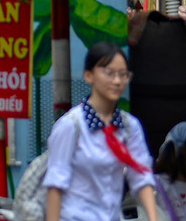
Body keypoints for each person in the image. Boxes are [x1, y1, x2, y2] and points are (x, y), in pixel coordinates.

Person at [45, 42, 158, 221]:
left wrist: (153, 218)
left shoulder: (130, 126)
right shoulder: (71, 126)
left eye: (123, 75)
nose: (117, 81)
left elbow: (141, 177)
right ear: (88, 76)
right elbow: (55, 185)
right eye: (109, 73)